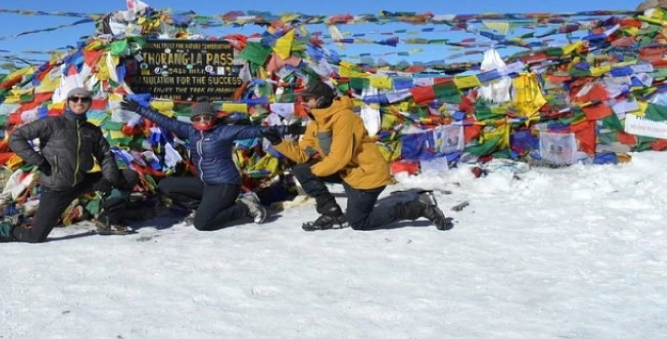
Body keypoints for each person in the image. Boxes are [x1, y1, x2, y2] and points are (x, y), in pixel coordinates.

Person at [268, 79, 451, 231]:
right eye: (302, 98)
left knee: (359, 222)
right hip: (348, 173)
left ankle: (419, 208)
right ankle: (332, 213)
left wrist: (314, 173)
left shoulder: (344, 118)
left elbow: (340, 157)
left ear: (322, 100)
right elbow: (303, 155)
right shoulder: (315, 123)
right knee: (302, 169)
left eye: (307, 98)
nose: (303, 102)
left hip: (367, 175)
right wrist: (277, 141)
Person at [0, 87, 131, 248]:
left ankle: (108, 219)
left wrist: (108, 179)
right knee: (36, 236)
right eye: (74, 98)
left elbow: (106, 156)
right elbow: (16, 137)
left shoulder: (91, 130)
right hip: (56, 187)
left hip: (80, 181)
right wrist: (39, 161)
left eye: (84, 99)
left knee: (128, 176)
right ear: (67, 102)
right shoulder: (52, 123)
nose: (79, 102)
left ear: (89, 103)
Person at [120, 97, 270, 230]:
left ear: (213, 118)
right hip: (207, 184)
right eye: (198, 118)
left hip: (225, 185)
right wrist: (139, 109)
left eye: (207, 117)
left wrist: (279, 130)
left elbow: (254, 130)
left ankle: (246, 207)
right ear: (193, 120)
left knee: (203, 224)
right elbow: (166, 121)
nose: (202, 121)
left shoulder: (223, 131)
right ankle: (202, 209)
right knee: (166, 185)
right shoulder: (193, 132)